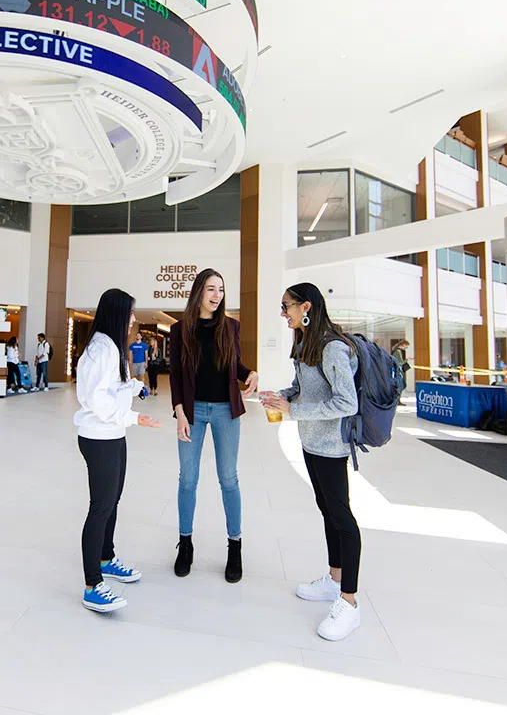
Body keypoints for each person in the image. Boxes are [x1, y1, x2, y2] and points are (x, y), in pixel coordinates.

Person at [260, 282, 363, 642]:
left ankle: (349, 603)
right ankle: (334, 580)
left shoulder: (333, 348)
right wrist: (282, 396)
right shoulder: (306, 343)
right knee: (328, 511)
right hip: (311, 443)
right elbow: (304, 387)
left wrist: (294, 409)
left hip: (332, 447)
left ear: (306, 306)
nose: (283, 313)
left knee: (342, 518)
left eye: (286, 306)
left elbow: (346, 403)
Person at [74, 288, 161, 612]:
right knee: (100, 507)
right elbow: (95, 399)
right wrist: (135, 417)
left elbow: (110, 386)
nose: (134, 319)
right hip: (99, 437)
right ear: (117, 313)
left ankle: (106, 557)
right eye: (131, 313)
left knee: (113, 500)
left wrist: (134, 387)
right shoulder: (102, 349)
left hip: (112, 434)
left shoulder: (110, 346)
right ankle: (92, 584)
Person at [169, 269, 258, 583]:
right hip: (192, 412)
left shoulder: (231, 326)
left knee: (228, 478)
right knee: (188, 479)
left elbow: (234, 364)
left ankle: (235, 547)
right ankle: (186, 544)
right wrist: (179, 412)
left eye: (221, 289)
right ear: (199, 292)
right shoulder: (180, 330)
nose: (217, 295)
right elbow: (177, 375)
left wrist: (250, 373)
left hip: (225, 411)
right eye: (211, 289)